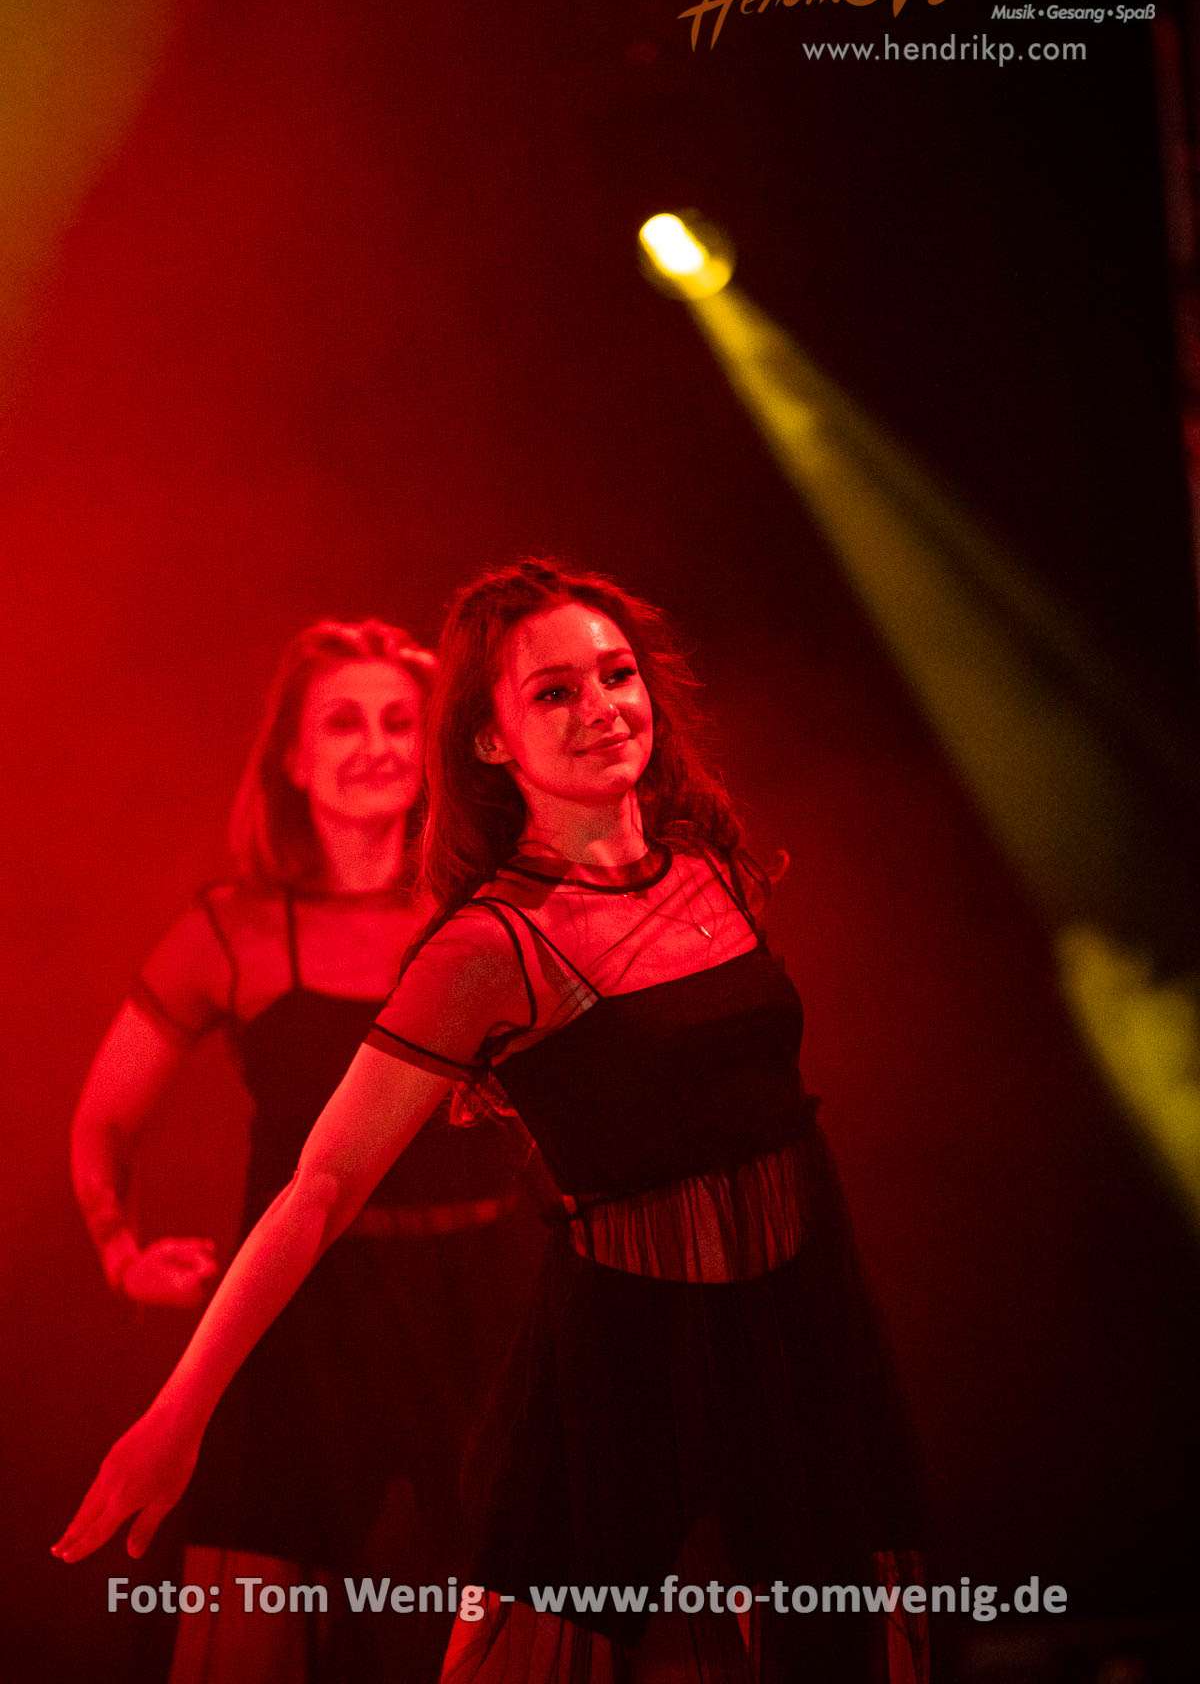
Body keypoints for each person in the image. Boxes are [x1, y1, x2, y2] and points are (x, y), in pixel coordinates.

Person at [56, 562, 928, 1682]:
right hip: (621, 1355)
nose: (601, 707)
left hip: (803, 1326)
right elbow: (319, 1185)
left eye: (617, 675)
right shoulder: (485, 947)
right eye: (555, 692)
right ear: (487, 739)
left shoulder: (710, 866)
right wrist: (175, 1412)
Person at [68, 618, 535, 1684]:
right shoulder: (233, 930)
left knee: (532, 1609)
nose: (375, 745)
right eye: (343, 722)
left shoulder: (493, 908)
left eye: (399, 722)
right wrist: (120, 1250)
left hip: (492, 1297)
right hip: (299, 1310)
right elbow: (105, 1119)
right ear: (291, 756)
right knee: (248, 1616)